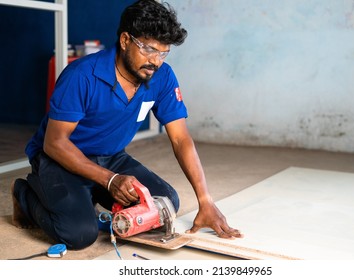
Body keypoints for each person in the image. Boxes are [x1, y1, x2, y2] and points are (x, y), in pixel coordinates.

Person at [11, 0, 242, 250]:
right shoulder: (81, 75)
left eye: (163, 53)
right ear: (125, 41)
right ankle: (24, 194)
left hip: (111, 157)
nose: (156, 61)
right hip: (61, 159)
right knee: (79, 234)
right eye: (149, 50)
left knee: (164, 205)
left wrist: (205, 199)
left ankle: (88, 194)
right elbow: (54, 143)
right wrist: (110, 180)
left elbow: (180, 138)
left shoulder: (162, 76)